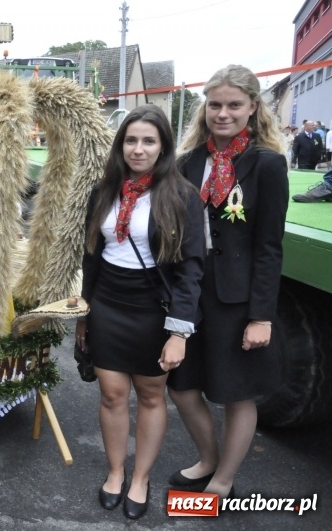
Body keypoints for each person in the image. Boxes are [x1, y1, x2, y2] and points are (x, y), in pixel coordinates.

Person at [75, 104, 204, 520]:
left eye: (149, 140)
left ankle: (141, 478)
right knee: (111, 394)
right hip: (108, 305)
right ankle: (115, 471)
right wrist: (83, 312)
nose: (138, 148)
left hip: (154, 310)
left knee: (151, 396)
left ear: (163, 146)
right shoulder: (104, 190)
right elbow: (91, 255)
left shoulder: (182, 195)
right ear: (121, 145)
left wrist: (178, 332)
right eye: (131, 140)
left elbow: (190, 269)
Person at [167, 64, 289, 500]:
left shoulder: (267, 165)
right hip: (189, 290)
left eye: (234, 105)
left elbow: (269, 247)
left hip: (237, 299)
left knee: (237, 394)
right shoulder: (187, 162)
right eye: (215, 104)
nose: (223, 113)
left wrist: (262, 317)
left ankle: (224, 478)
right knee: (181, 386)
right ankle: (208, 457)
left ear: (253, 108)